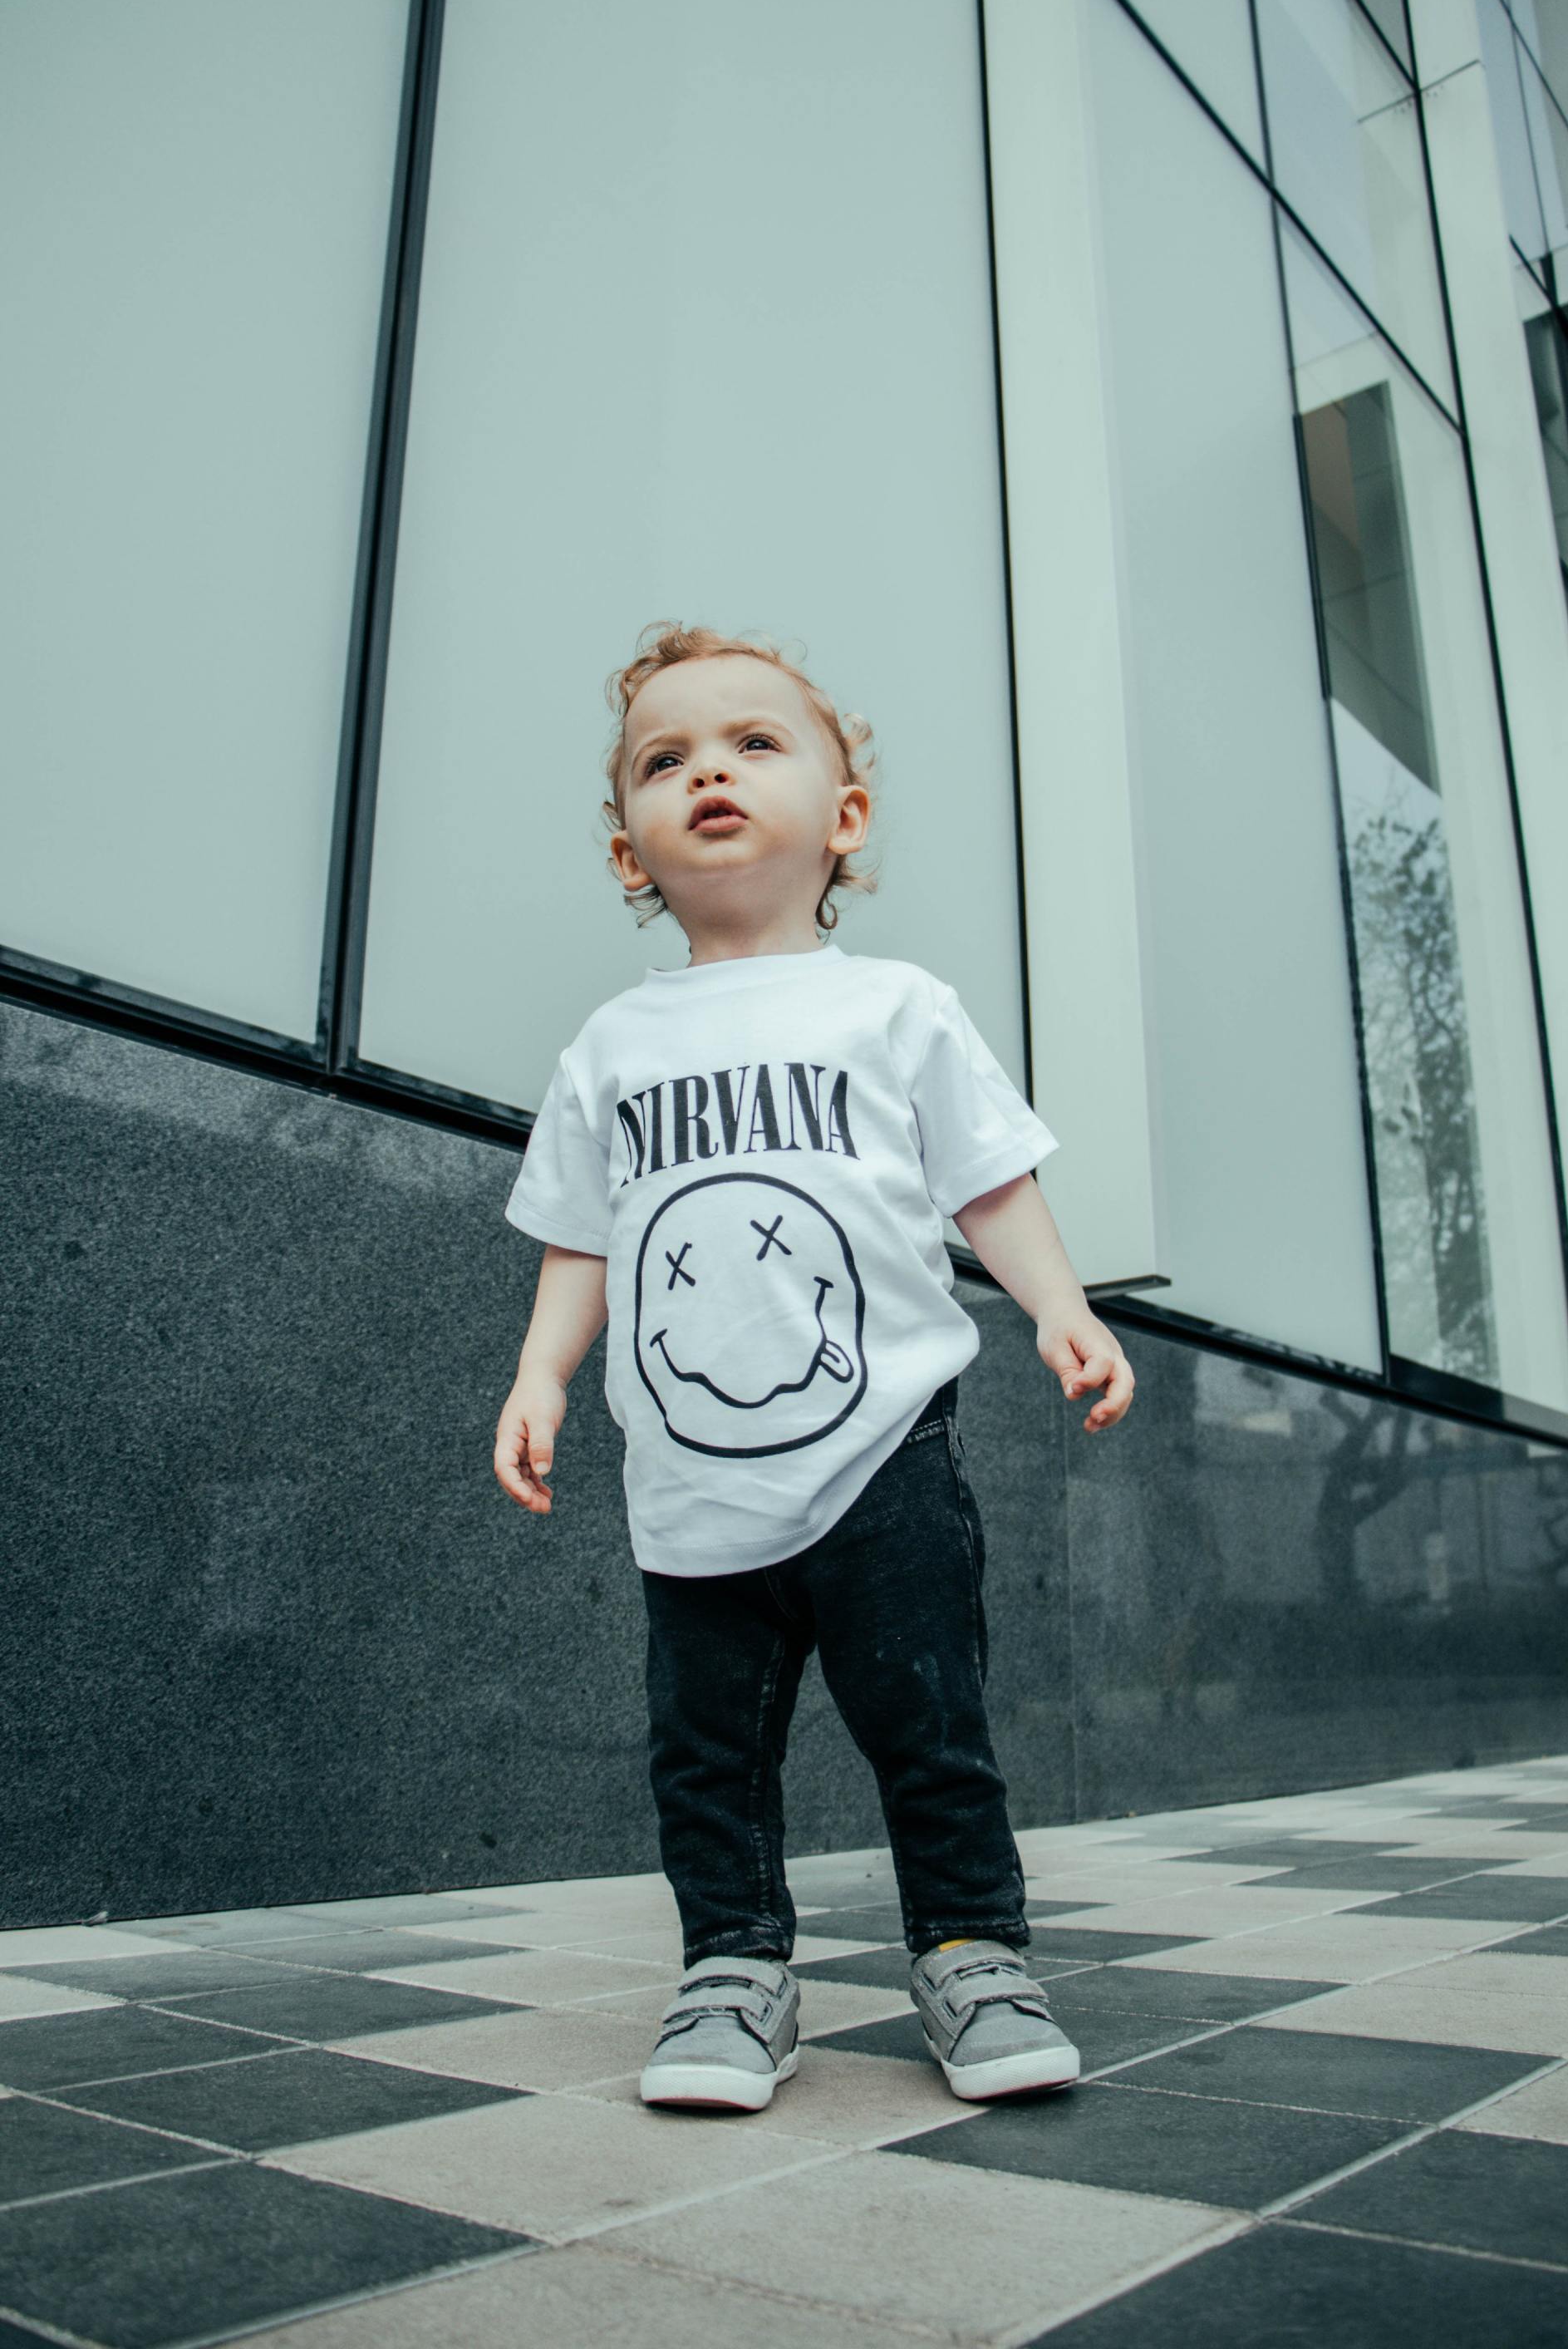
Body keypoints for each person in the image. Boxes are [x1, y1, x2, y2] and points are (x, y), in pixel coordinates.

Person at [493, 621, 1135, 2115]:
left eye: (752, 742)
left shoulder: (894, 1008)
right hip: (689, 1486)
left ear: (844, 817)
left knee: (931, 1725)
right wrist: (541, 1378)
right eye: (668, 759)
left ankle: (974, 1952)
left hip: (884, 1457)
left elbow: (988, 1181)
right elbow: (580, 1239)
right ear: (627, 852)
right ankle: (731, 1968)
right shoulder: (611, 1047)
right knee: (704, 1756)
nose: (708, 768)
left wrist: (1060, 1305)